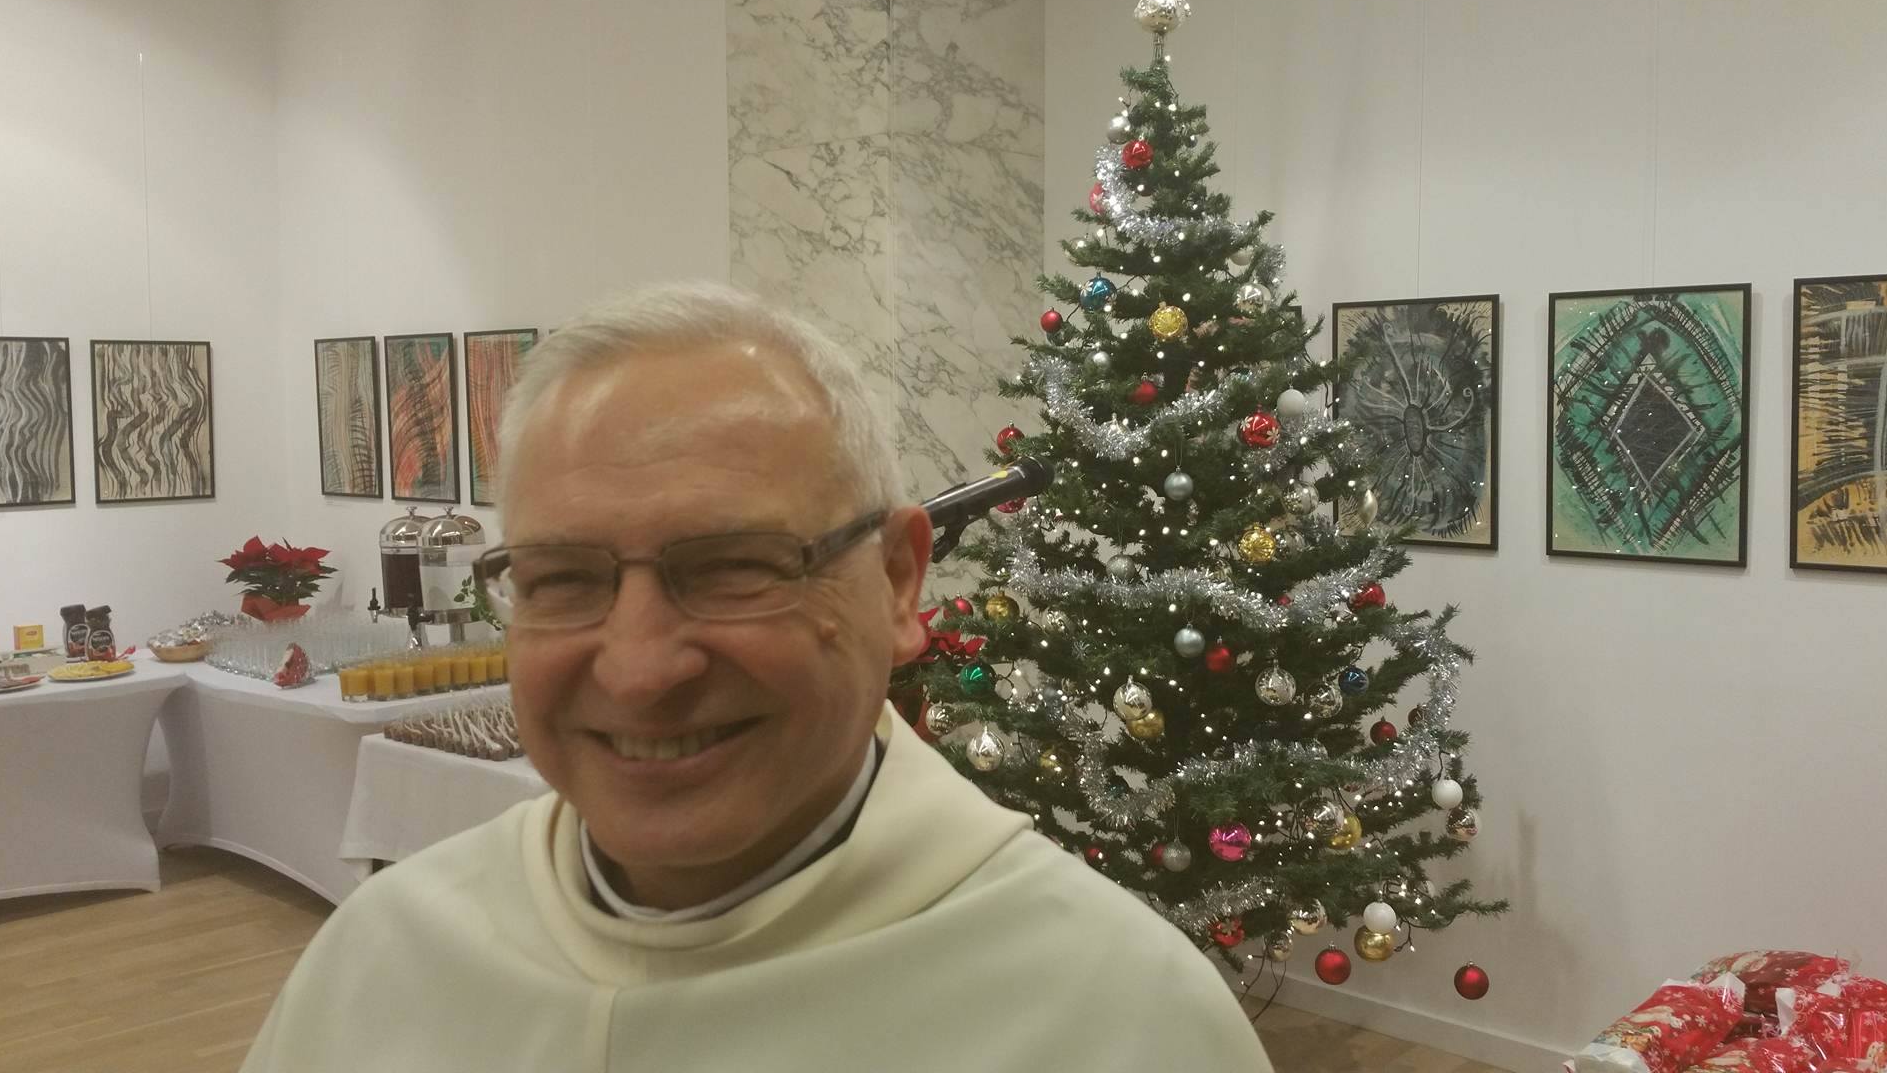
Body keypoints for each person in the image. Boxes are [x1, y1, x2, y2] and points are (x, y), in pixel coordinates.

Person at [242, 283, 1273, 1072]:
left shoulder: (1118, 1018)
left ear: (898, 581)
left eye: (735, 567)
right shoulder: (386, 955)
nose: (639, 670)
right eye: (562, 579)